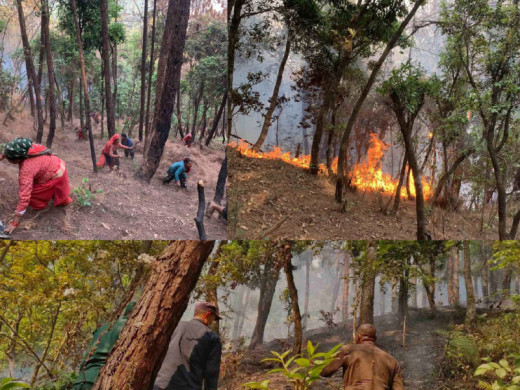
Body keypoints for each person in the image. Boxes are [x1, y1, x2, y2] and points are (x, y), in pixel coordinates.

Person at [0, 138, 72, 235]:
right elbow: (13, 150)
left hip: (54, 175)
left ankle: (42, 206)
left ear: (16, 159)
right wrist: (3, 156)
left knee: (33, 195)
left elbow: (24, 197)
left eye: (9, 159)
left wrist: (14, 222)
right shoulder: (29, 148)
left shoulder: (27, 168)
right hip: (58, 164)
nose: (8, 160)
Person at [153, 302, 222, 390]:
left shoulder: (174, 327)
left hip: (160, 385)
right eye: (213, 318)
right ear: (207, 314)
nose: (212, 322)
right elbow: (211, 372)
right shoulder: (212, 338)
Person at [320, 323, 404, 389]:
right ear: (375, 338)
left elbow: (325, 371)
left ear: (358, 336)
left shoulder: (348, 350)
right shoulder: (392, 360)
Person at [73, 302, 136, 390]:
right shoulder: (131, 328)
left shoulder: (103, 328)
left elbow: (87, 356)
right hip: (100, 380)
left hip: (81, 380)